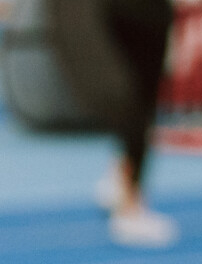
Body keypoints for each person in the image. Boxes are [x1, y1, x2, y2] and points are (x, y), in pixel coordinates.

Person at [50, 0, 179, 248]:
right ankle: (130, 208)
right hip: (130, 14)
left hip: (124, 13)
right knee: (137, 102)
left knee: (137, 98)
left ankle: (122, 178)